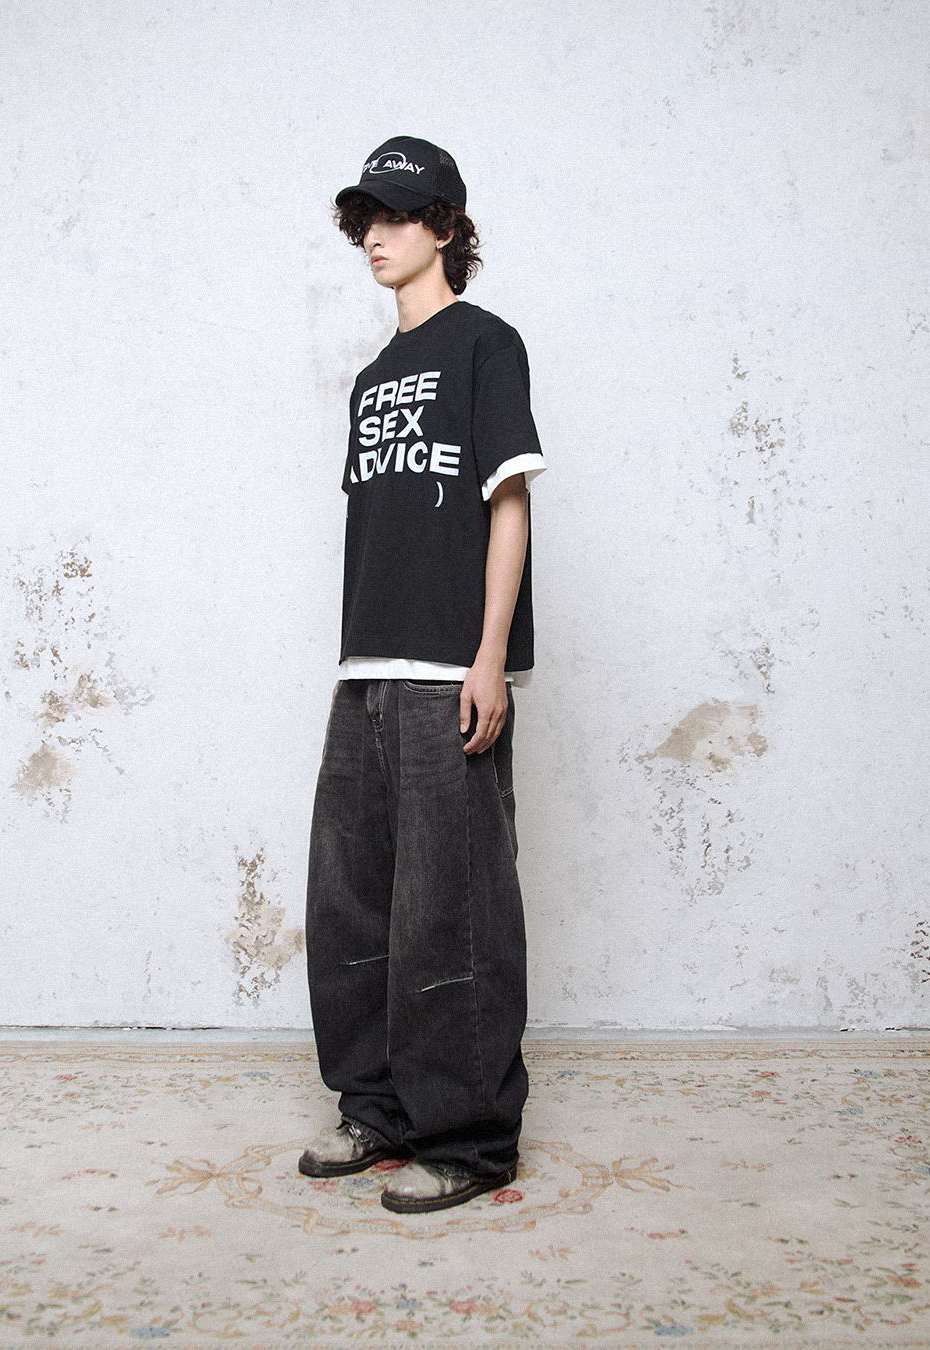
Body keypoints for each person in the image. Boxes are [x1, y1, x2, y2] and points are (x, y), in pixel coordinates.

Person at [300, 136, 546, 1214]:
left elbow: (507, 504)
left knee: (453, 911)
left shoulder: (486, 344)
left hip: (449, 667)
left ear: (445, 227)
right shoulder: (370, 379)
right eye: (366, 219)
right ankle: (379, 1110)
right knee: (353, 905)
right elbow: (385, 530)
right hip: (366, 667)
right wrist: (353, 662)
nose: (376, 236)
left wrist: (490, 658)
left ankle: (470, 1138)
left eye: (397, 216)